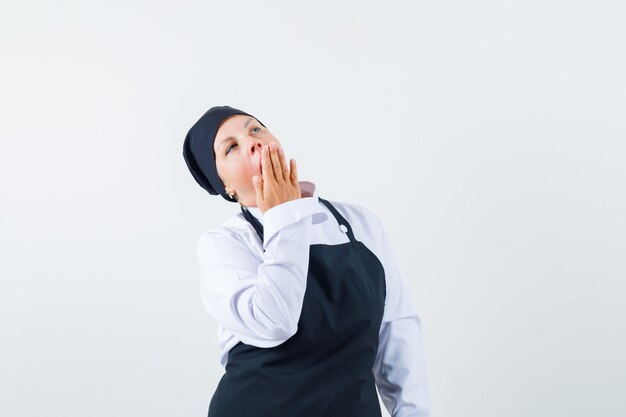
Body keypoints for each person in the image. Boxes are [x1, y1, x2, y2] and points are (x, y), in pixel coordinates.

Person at [183, 105, 431, 417]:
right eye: (231, 147)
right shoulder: (224, 244)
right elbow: (275, 323)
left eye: (255, 129)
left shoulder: (361, 223)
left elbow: (397, 328)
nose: (252, 142)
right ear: (225, 187)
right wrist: (283, 214)